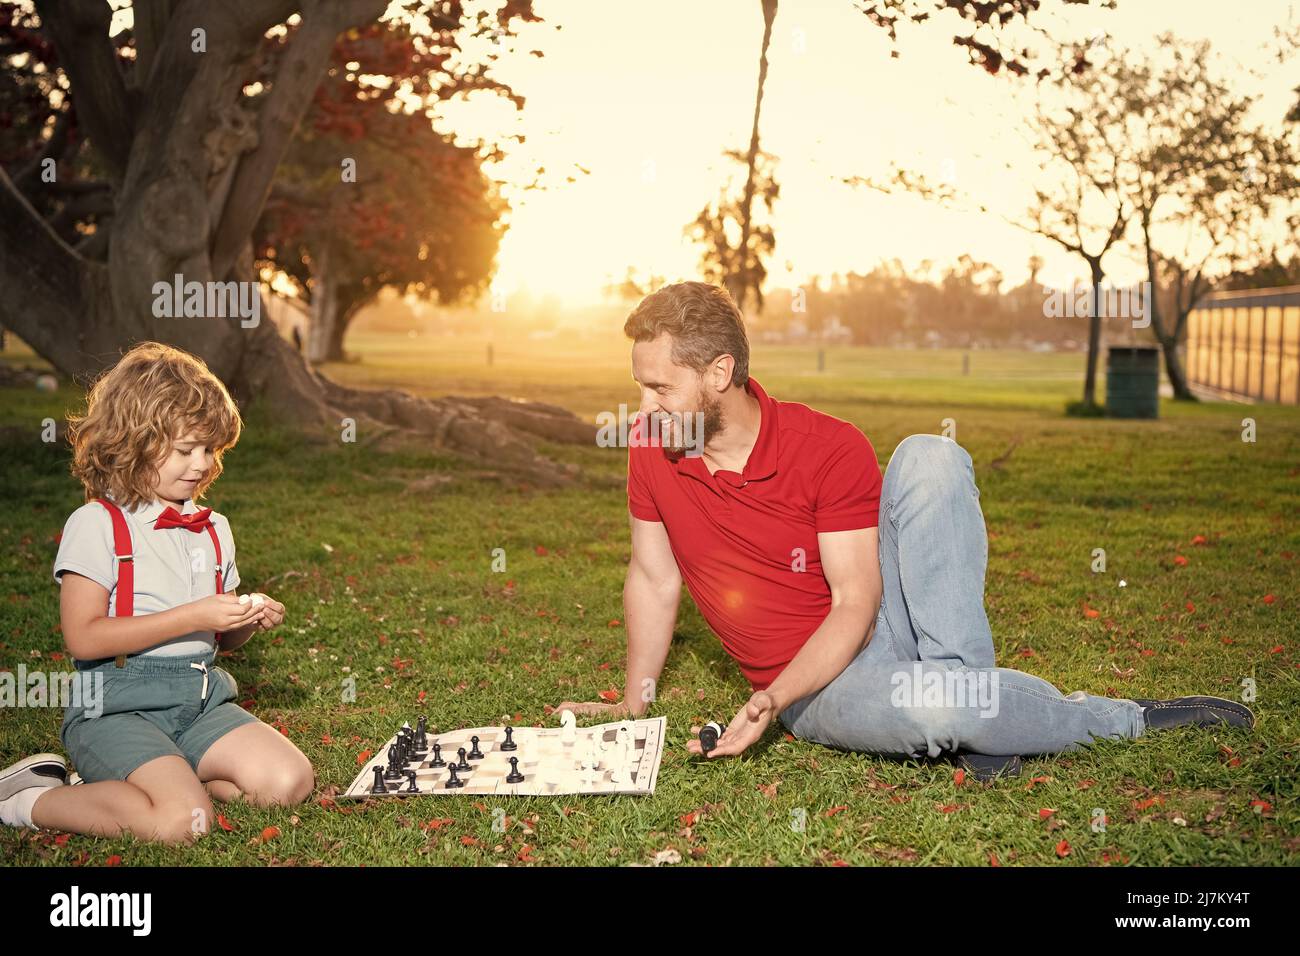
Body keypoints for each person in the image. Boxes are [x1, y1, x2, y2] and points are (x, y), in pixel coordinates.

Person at [558, 281, 1253, 779]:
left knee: (930, 453)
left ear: (720, 372)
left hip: (869, 620)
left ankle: (1115, 716)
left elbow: (856, 601)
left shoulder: (826, 444)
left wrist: (761, 704)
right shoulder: (651, 446)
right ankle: (965, 716)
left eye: (659, 388)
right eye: (640, 387)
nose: (642, 407)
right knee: (942, 710)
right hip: (815, 690)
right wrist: (638, 695)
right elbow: (654, 576)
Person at [0, 342, 314, 842]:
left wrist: (243, 622)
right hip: (117, 708)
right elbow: (83, 638)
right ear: (134, 441)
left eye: (210, 450)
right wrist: (192, 615)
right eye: (185, 449)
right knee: (181, 824)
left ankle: (151, 781)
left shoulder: (214, 529)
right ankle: (31, 800)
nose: (201, 464)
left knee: (288, 781)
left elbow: (218, 643)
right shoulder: (98, 524)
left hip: (199, 703)